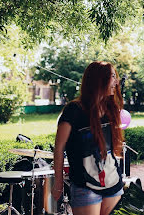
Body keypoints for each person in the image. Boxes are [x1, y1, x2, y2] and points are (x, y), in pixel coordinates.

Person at [52, 61, 124, 215]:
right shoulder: (74, 110)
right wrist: (58, 183)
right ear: (99, 79)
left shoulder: (110, 109)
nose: (116, 81)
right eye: (112, 76)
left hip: (113, 184)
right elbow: (59, 148)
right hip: (85, 186)